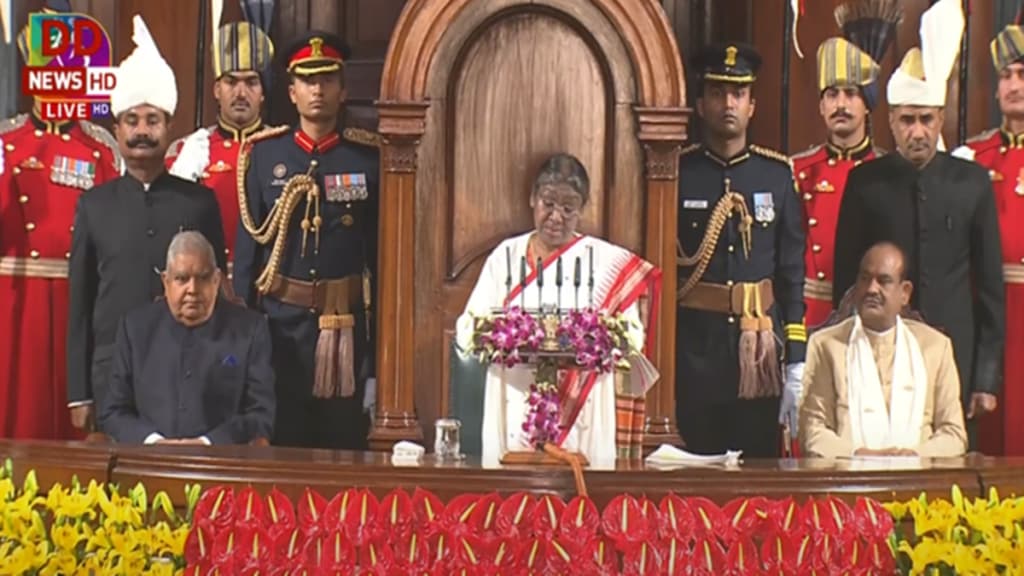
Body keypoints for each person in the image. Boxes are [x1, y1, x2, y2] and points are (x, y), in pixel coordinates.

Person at [832, 0, 1004, 450]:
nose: (917, 131)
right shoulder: (865, 182)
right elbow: (845, 283)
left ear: (940, 118)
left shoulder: (972, 182)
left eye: (926, 119)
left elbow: (989, 288)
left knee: (949, 471)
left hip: (954, 353)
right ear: (889, 120)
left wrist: (985, 376)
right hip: (879, 353)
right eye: (906, 120)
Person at [66, 15, 227, 434]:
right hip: (110, 377)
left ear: (169, 126)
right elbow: (80, 306)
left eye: (152, 121)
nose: (142, 131)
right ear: (116, 128)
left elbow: (218, 296)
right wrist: (79, 392)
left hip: (188, 373)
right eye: (132, 121)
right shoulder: (93, 205)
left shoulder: (200, 201)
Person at [455, 154, 661, 464]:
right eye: (548, 204)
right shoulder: (505, 257)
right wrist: (502, 335)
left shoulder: (603, 261)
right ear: (532, 199)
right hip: (513, 401)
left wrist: (598, 339)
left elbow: (632, 337)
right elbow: (466, 331)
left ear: (582, 209)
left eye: (568, 208)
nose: (556, 217)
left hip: (585, 406)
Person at [233, 31, 380, 449]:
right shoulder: (263, 155)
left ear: (343, 89)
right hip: (277, 326)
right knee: (281, 441)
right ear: (292, 91)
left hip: (345, 328)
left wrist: (376, 364)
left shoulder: (369, 159)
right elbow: (248, 255)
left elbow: (381, 260)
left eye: (328, 79)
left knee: (342, 445)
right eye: (308, 80)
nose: (318, 90)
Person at [676, 42, 807, 457]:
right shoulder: (678, 171)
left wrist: (796, 361)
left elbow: (791, 275)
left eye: (738, 94)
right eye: (717, 93)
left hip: (760, 357)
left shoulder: (778, 175)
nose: (727, 104)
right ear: (700, 104)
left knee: (758, 480)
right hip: (695, 354)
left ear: (752, 105)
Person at [0, 1, 122, 440]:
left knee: (73, 424)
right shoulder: (6, 142)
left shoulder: (102, 149)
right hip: (14, 300)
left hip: (79, 300)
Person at [99, 231, 275, 444]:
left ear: (217, 280)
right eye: (181, 279)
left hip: (221, 463)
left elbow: (261, 416)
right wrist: (154, 443)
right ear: (166, 282)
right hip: (149, 463)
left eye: (203, 278)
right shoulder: (135, 328)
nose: (193, 289)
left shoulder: (250, 330)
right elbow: (113, 412)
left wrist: (206, 443)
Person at [800, 242, 967, 458]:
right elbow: (812, 431)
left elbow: (954, 434)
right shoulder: (827, 346)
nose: (871, 289)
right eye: (865, 279)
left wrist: (914, 456)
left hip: (921, 480)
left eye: (884, 281)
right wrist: (859, 454)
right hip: (848, 479)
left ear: (905, 293)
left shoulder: (935, 347)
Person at [791, 0, 901, 328]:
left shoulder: (889, 172)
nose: (841, 104)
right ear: (821, 105)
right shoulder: (797, 170)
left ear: (867, 105)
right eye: (832, 94)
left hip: (868, 316)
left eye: (851, 94)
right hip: (808, 314)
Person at [956, 23, 1024, 456]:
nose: (1015, 85)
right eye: (1006, 76)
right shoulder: (971, 159)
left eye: (1022, 73)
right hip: (989, 310)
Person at [165, 22, 274, 279]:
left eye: (251, 82)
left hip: (265, 281)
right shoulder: (187, 150)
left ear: (262, 93)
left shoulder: (281, 148)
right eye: (231, 82)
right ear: (216, 89)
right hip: (206, 281)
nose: (240, 93)